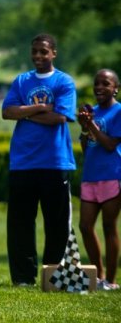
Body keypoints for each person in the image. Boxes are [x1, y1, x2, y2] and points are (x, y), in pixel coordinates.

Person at [2, 33, 76, 286]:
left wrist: (24, 113)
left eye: (43, 52)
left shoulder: (64, 82)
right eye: (34, 51)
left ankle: (54, 276)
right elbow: (7, 111)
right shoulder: (22, 80)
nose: (38, 56)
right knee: (20, 223)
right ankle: (23, 277)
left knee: (56, 224)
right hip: (22, 162)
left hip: (55, 161)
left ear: (54, 53)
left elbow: (59, 118)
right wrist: (39, 108)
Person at [77, 69, 121, 291]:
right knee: (85, 226)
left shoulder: (118, 112)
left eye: (106, 84)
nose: (100, 88)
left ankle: (111, 281)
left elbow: (111, 144)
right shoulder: (91, 112)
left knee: (108, 225)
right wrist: (85, 130)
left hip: (113, 175)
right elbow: (87, 148)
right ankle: (99, 275)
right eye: (97, 84)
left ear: (116, 88)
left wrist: (91, 124)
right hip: (91, 176)